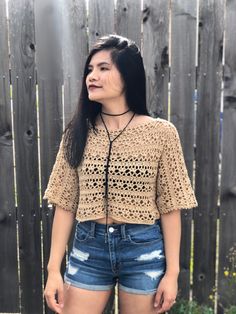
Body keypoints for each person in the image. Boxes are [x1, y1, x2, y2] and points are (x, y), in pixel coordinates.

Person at [43, 34, 198, 314]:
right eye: (90, 69)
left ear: (128, 75)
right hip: (88, 249)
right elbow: (64, 203)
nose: (92, 76)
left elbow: (170, 206)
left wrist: (172, 273)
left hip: (143, 249)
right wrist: (54, 269)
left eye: (104, 68)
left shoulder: (161, 133)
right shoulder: (77, 133)